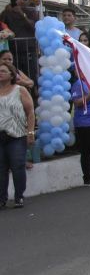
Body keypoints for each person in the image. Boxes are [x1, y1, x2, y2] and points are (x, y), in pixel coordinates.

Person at [0, 63, 35, 209]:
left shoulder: (20, 90)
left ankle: (19, 196)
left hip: (16, 135)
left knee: (17, 165)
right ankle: (2, 198)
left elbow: (30, 112)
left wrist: (31, 132)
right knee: (1, 168)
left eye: (3, 71)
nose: (0, 73)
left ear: (11, 74)